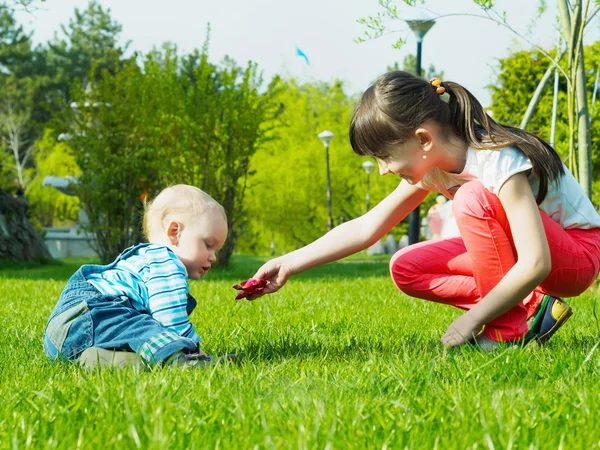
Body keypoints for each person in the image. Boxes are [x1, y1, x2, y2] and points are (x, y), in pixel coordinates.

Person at [250, 71, 600, 350]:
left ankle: (506, 332)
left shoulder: (497, 159)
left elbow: (537, 263)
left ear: (423, 139)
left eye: (385, 156)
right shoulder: (433, 168)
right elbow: (366, 228)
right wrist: (290, 263)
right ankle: (532, 311)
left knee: (471, 198)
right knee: (406, 266)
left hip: (577, 254)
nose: (384, 169)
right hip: (536, 257)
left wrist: (472, 319)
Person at [43, 184, 229, 368]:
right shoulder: (164, 261)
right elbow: (170, 318)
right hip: (89, 317)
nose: (213, 257)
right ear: (175, 233)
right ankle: (183, 361)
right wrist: (193, 349)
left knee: (138, 334)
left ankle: (103, 359)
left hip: (61, 337)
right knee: (143, 328)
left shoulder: (145, 260)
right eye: (208, 244)